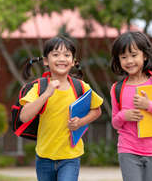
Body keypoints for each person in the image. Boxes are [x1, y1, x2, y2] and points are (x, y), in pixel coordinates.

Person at [19, 35, 103, 181]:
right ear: (46, 61)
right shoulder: (39, 87)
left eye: (67, 55)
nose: (62, 59)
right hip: (44, 157)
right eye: (56, 55)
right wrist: (46, 94)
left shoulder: (81, 87)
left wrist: (81, 122)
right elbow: (24, 116)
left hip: (70, 156)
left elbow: (97, 110)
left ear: (73, 61)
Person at [110, 31, 152, 181]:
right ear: (118, 60)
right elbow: (115, 123)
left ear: (145, 55)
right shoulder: (117, 88)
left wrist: (149, 105)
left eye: (134, 55)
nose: (129, 61)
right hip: (127, 149)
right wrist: (124, 115)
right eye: (123, 57)